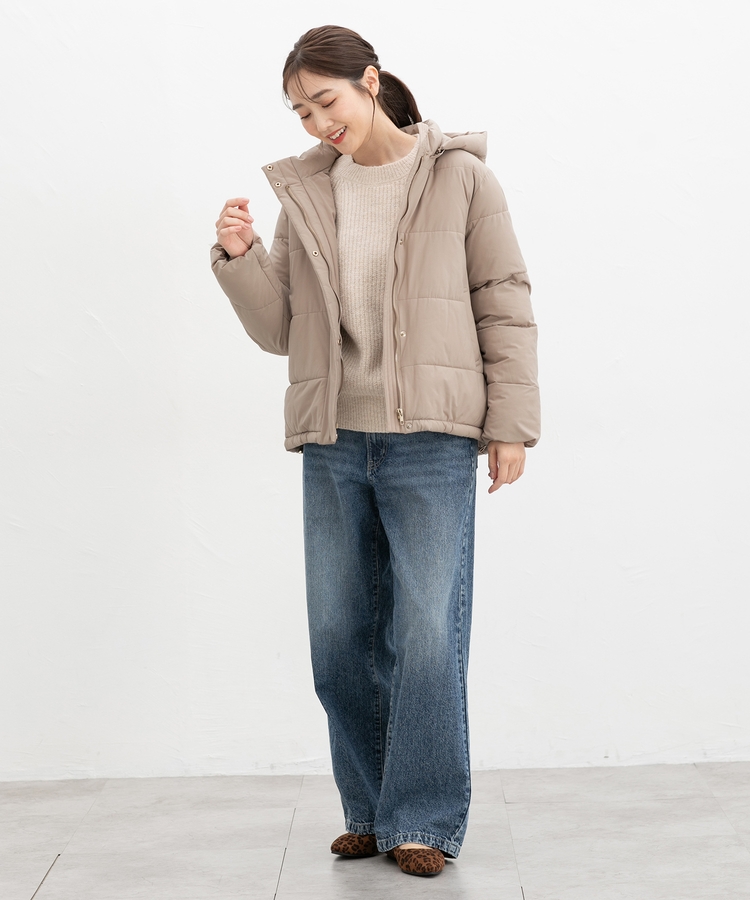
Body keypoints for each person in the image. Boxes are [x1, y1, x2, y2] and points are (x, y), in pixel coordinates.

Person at [210, 24, 540, 878]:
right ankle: (369, 809)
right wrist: (242, 260)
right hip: (336, 439)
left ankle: (421, 819)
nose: (317, 122)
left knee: (427, 634)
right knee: (339, 635)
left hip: (432, 438)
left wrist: (510, 423)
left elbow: (503, 298)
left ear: (369, 80)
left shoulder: (460, 177)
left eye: (325, 100)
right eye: (299, 111)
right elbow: (283, 332)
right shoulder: (309, 192)